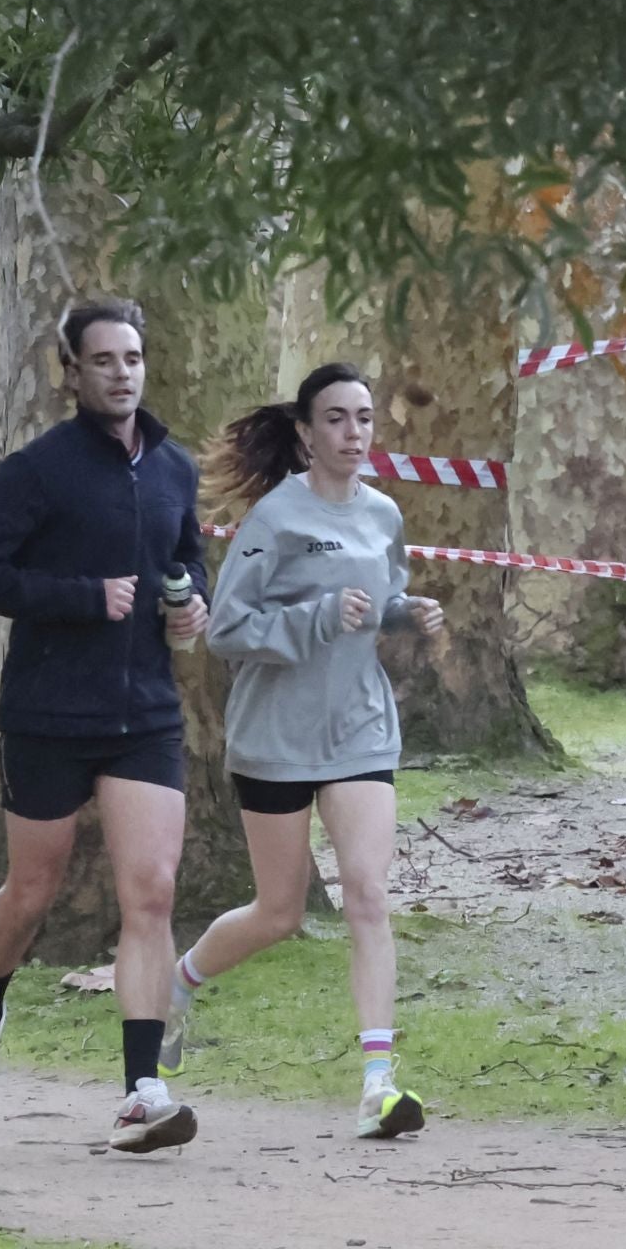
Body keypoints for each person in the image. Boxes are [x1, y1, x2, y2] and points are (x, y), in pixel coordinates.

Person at [0, 299, 209, 1154]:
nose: (122, 372)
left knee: (152, 891)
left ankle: (142, 1090)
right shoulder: (39, 471)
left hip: (144, 715)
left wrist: (188, 602)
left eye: (132, 357)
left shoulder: (173, 468)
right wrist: (80, 598)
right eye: (104, 360)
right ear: (74, 372)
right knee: (32, 891)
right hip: (50, 713)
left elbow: (184, 556)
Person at [163, 361, 444, 1141]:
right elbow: (224, 632)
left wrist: (405, 614)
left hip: (358, 728)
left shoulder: (385, 513)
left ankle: (379, 1086)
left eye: (363, 418)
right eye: (337, 419)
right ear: (304, 433)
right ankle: (179, 983)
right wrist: (317, 616)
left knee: (367, 894)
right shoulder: (275, 521)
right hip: (276, 739)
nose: (354, 433)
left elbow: (376, 604)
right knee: (280, 913)